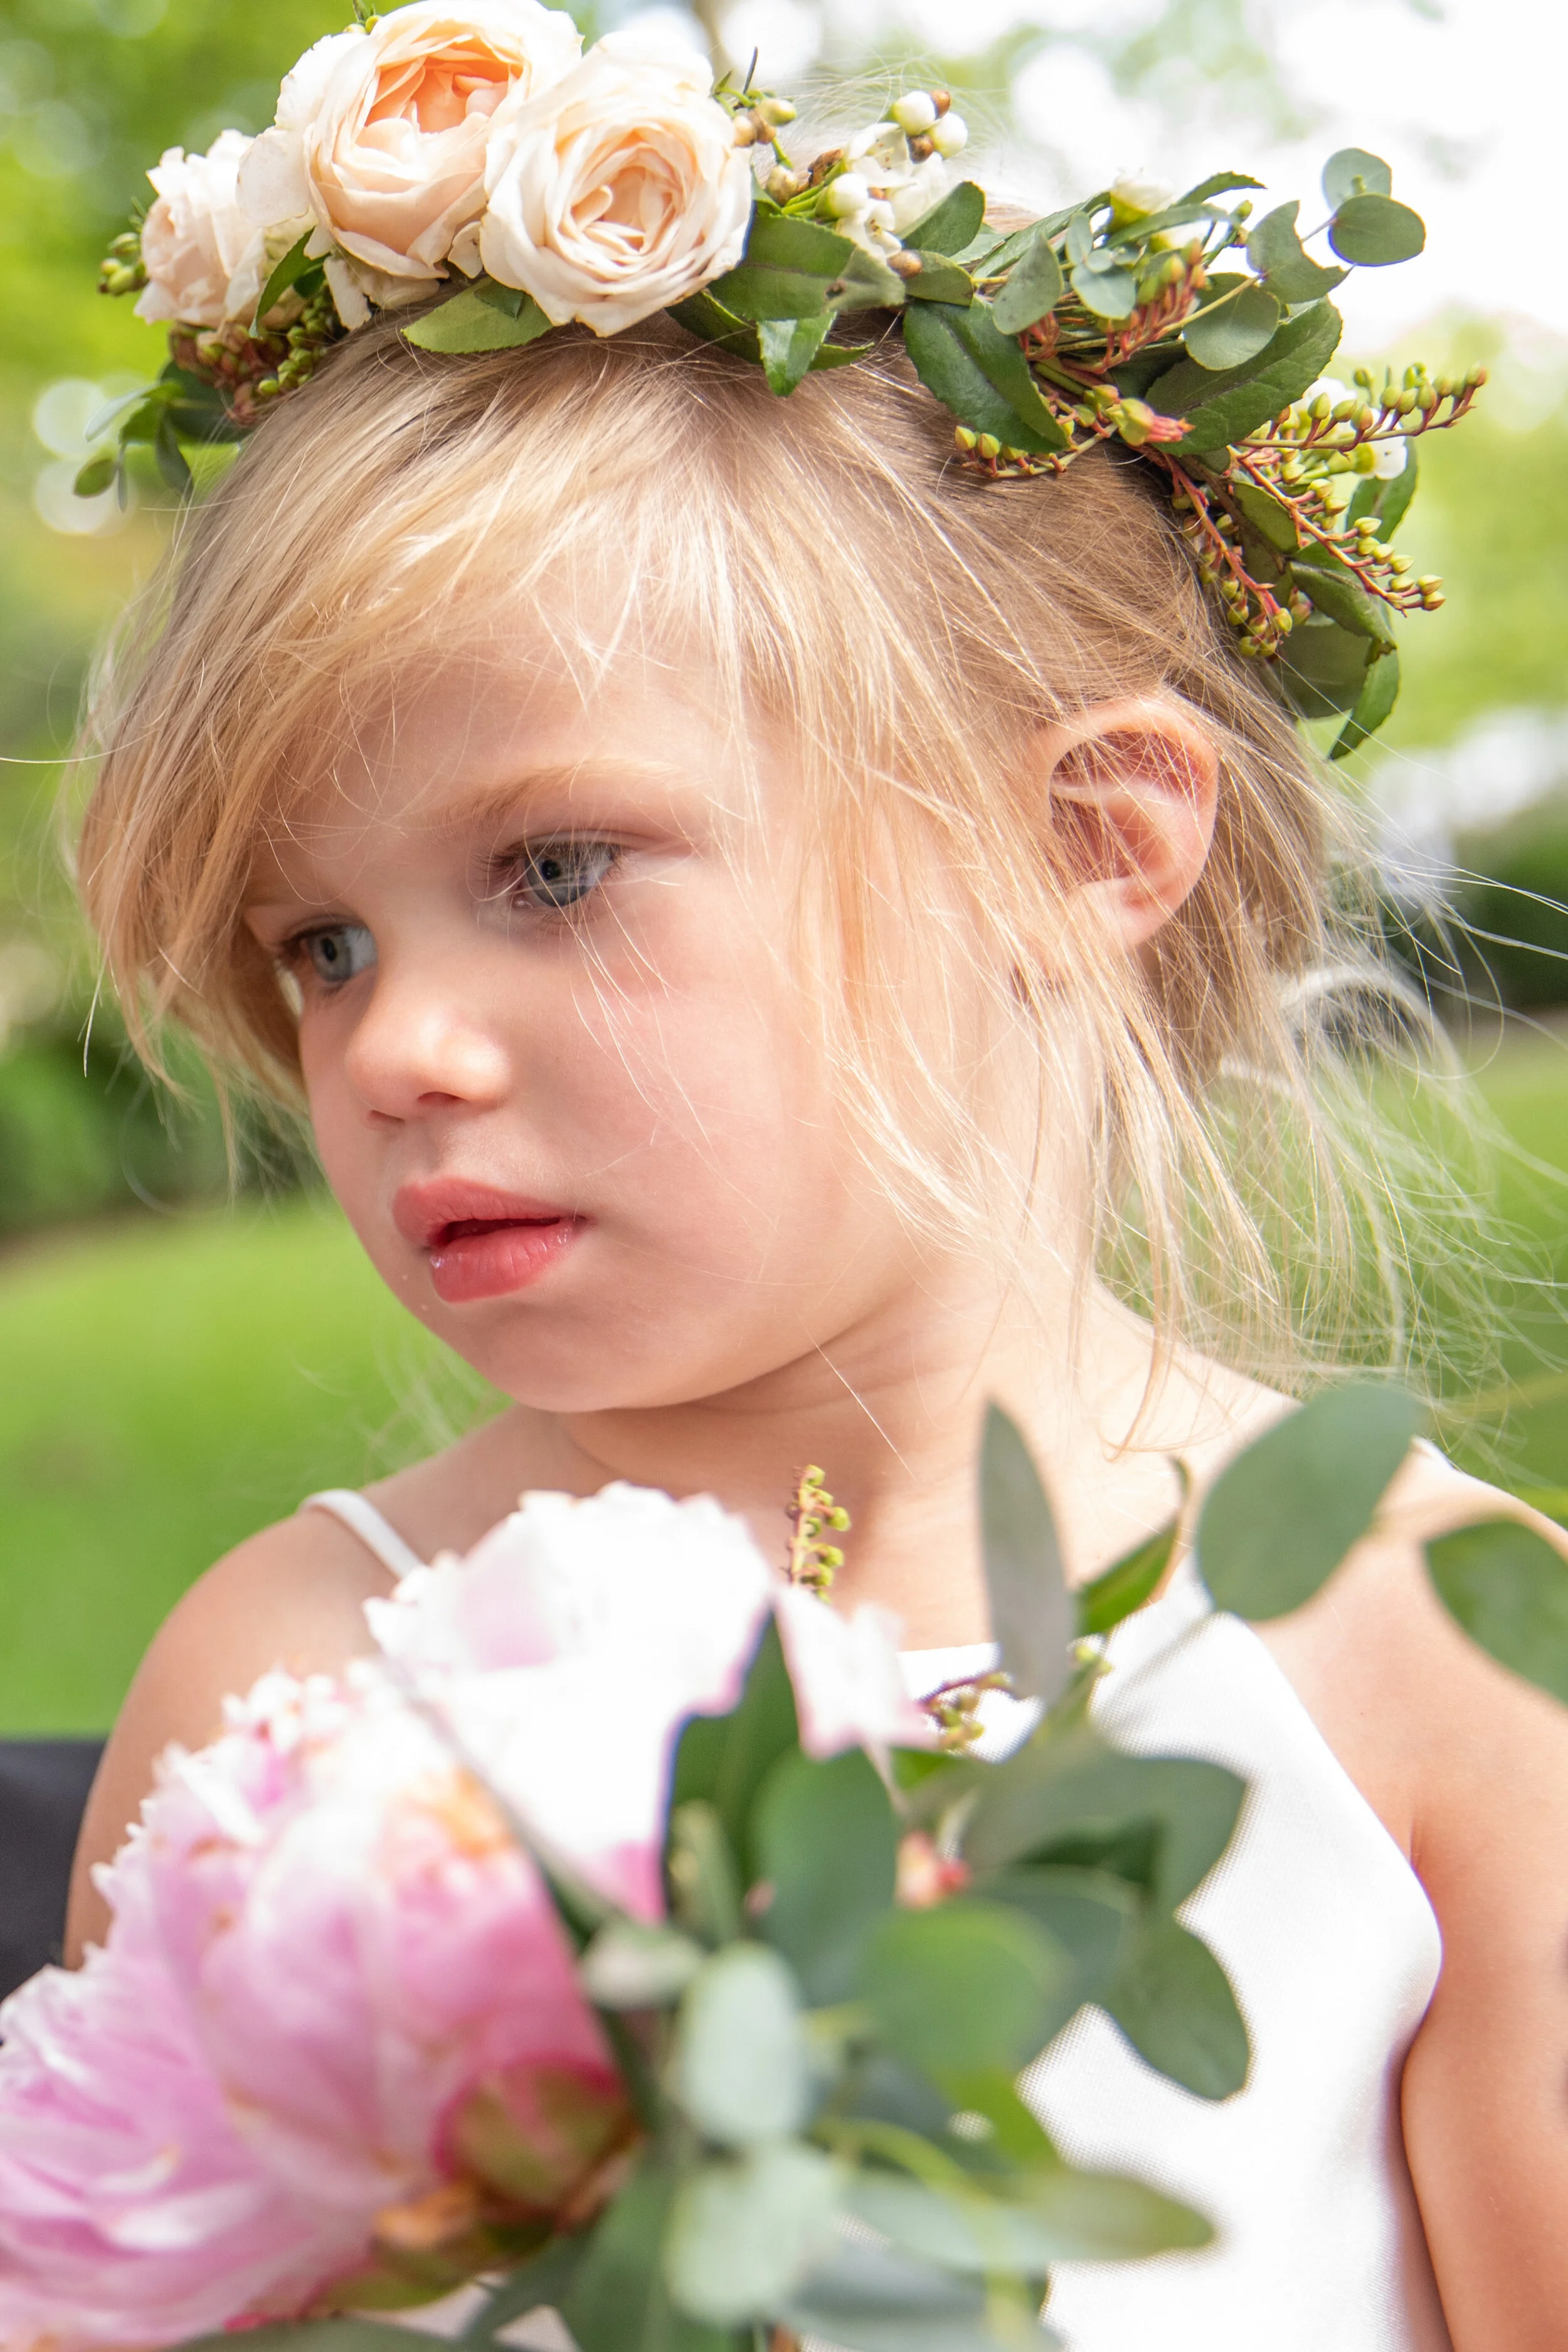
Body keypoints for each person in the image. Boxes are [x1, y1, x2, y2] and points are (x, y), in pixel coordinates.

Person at [54, 47, 1568, 2345]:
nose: (386, 1047)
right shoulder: (289, 1692)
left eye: (552, 869)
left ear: (1077, 847)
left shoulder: (1434, 1662)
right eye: (318, 943)